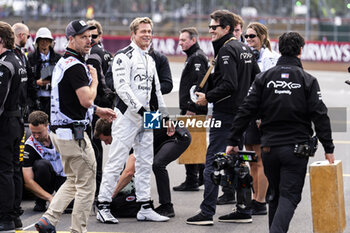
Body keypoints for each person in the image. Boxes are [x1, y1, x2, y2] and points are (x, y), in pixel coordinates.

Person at [225, 32, 335, 233]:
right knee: (289, 196)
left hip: (269, 148)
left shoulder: (264, 78)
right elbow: (320, 114)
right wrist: (328, 147)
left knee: (274, 196)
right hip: (296, 149)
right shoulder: (307, 79)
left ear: (280, 49)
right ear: (301, 51)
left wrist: (233, 139)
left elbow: (246, 109)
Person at [34, 19, 116, 233]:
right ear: (70, 39)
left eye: (90, 36)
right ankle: (78, 230)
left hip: (61, 133)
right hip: (73, 135)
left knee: (73, 179)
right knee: (87, 185)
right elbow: (86, 99)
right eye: (83, 37)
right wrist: (95, 81)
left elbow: (70, 99)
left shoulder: (63, 61)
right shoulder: (76, 66)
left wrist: (97, 111)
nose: (89, 40)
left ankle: (48, 220)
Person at [186, 10, 260, 226]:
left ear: (226, 28)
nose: (210, 31)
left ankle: (206, 212)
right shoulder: (245, 48)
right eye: (209, 27)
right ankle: (244, 210)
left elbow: (230, 84)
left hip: (226, 115)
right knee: (238, 162)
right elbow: (257, 79)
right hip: (242, 115)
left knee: (213, 162)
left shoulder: (227, 50)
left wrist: (206, 97)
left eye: (214, 27)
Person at [96, 17, 173, 224]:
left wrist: (166, 117)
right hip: (128, 116)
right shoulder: (123, 55)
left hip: (148, 116)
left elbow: (156, 90)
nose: (147, 34)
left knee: (145, 161)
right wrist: (141, 110)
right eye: (143, 31)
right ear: (133, 34)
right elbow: (122, 88)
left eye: (149, 31)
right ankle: (103, 205)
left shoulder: (150, 58)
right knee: (116, 161)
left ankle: (145, 206)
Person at [94, 118, 191, 217]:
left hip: (177, 135)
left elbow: (129, 172)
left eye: (106, 140)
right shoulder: (124, 131)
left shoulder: (129, 135)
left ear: (113, 132)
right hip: (162, 137)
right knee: (143, 164)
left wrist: (110, 196)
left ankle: (167, 207)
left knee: (158, 165)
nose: (106, 144)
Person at [243, 22, 280, 215]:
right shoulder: (246, 56)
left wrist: (262, 116)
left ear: (263, 38)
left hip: (262, 115)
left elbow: (272, 89)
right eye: (246, 37)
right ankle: (254, 197)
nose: (248, 40)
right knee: (250, 158)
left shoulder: (272, 58)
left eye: (252, 36)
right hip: (248, 112)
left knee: (260, 160)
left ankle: (260, 200)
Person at [172, 27, 208, 192]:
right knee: (192, 143)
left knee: (190, 144)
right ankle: (196, 177)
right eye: (179, 40)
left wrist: (191, 108)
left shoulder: (197, 58)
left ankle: (194, 179)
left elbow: (200, 84)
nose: (180, 43)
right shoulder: (193, 56)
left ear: (193, 40)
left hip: (192, 109)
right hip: (190, 107)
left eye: (183, 40)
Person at [216, 12, 244, 206]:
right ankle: (229, 191)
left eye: (238, 30)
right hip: (236, 109)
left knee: (239, 154)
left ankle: (246, 198)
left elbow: (231, 84)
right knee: (230, 153)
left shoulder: (236, 50)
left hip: (236, 110)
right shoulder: (227, 49)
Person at [0, 21, 26, 233]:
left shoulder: (4, 64)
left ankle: (6, 218)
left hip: (7, 122)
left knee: (4, 171)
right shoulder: (18, 60)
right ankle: (15, 215)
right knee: (14, 169)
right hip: (17, 120)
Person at [23, 111, 66, 212]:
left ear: (47, 127)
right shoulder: (30, 145)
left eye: (39, 133)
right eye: (33, 133)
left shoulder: (58, 134)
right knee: (41, 165)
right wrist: (50, 198)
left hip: (64, 175)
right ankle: (41, 201)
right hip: (47, 178)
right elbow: (28, 181)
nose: (36, 136)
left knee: (70, 205)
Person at [28, 27, 61, 116]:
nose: (44, 42)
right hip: (36, 98)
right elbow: (26, 79)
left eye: (47, 40)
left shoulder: (58, 59)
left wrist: (52, 81)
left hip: (54, 98)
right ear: (37, 42)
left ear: (51, 42)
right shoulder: (30, 58)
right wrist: (36, 82)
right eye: (41, 40)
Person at [12, 22, 37, 122]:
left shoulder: (22, 54)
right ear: (22, 36)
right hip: (13, 108)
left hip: (21, 106)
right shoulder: (10, 55)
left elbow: (29, 79)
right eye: (28, 36)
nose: (28, 39)